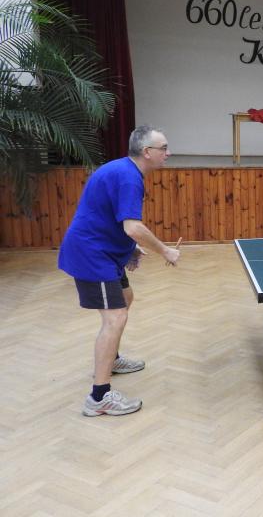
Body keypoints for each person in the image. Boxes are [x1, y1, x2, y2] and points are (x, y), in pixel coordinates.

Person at [58, 125, 181, 416]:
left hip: (104, 250)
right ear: (147, 152)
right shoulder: (128, 178)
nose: (168, 153)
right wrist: (165, 250)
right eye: (163, 148)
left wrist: (130, 250)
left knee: (125, 297)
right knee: (115, 318)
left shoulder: (124, 170)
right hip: (92, 254)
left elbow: (109, 217)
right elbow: (133, 227)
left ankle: (111, 359)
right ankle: (99, 397)